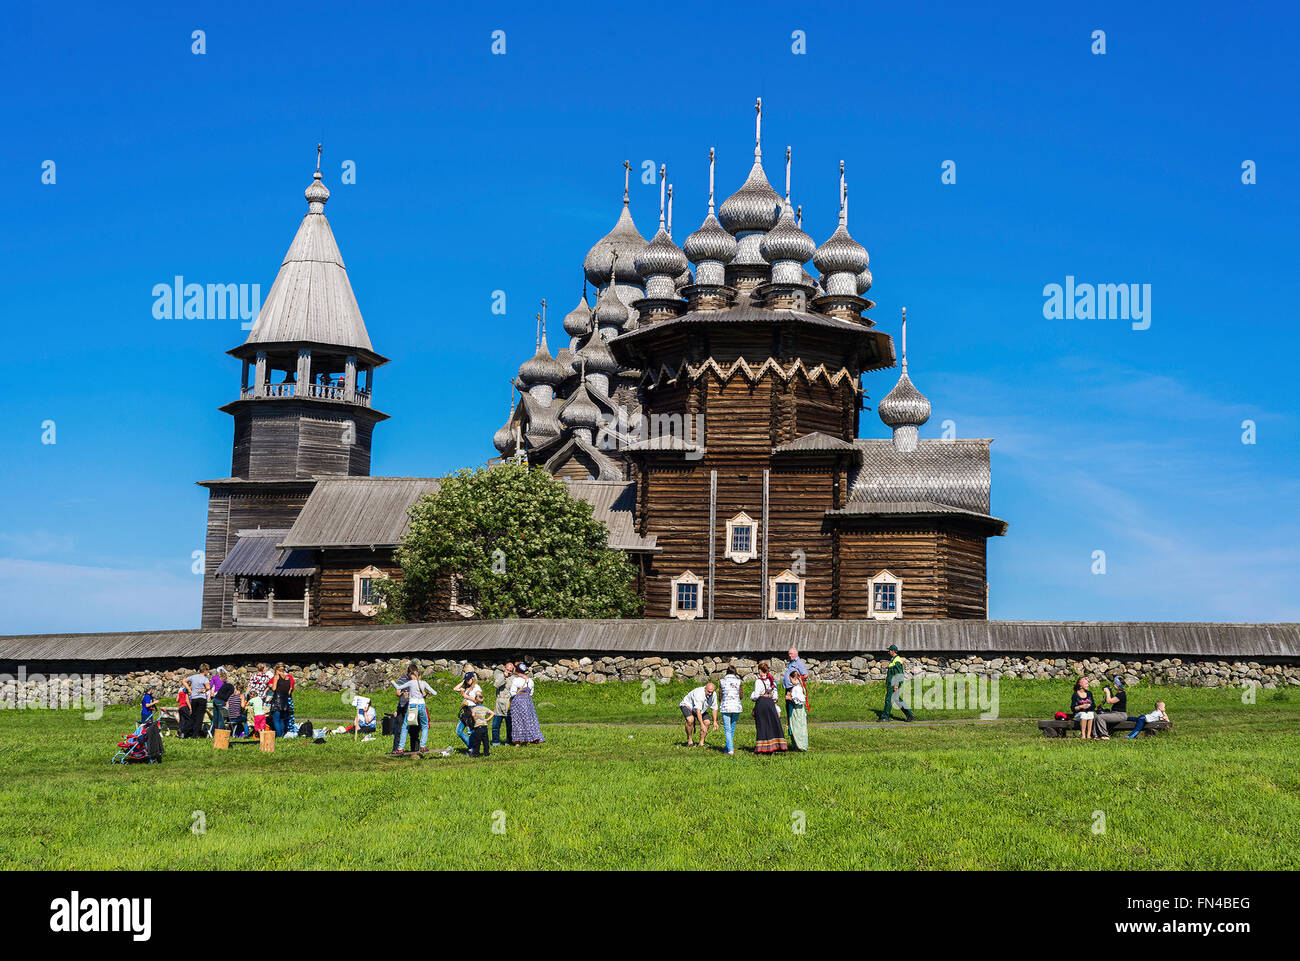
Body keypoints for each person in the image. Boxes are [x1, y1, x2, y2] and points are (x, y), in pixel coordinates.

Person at [391, 666, 436, 754]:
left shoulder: (411, 682)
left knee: (407, 727)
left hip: (412, 706)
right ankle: (422, 746)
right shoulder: (423, 683)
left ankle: (403, 748)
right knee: (424, 726)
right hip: (418, 706)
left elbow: (397, 687)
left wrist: (392, 682)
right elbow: (435, 693)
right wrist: (428, 693)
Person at [750, 662, 787, 754]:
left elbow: (756, 695)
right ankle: (773, 747)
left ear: (760, 670)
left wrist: (751, 696)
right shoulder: (771, 680)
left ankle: (762, 748)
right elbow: (775, 695)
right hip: (770, 703)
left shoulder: (758, 681)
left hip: (762, 703)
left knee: (762, 725)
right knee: (771, 724)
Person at [508, 664, 545, 744]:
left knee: (517, 722)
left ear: (517, 671)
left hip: (517, 702)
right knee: (527, 720)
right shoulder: (530, 681)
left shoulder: (516, 680)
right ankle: (526, 740)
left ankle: (517, 742)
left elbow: (512, 693)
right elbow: (531, 693)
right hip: (528, 702)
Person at [881, 645, 915, 722]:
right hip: (891, 683)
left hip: (893, 683)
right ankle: (909, 714)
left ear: (893, 651)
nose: (888, 652)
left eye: (889, 650)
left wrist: (896, 684)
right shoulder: (893, 660)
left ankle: (885, 717)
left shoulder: (897, 660)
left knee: (888, 700)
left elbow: (899, 673)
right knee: (896, 699)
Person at [678, 682, 719, 748]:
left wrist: (715, 721)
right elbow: (698, 711)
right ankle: (689, 740)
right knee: (690, 720)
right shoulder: (699, 694)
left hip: (701, 709)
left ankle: (701, 743)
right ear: (705, 689)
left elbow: (714, 708)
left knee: (707, 722)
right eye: (709, 692)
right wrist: (701, 725)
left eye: (712, 692)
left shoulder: (713, 694)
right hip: (687, 705)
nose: (710, 694)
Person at [453, 671, 483, 750]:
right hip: (465, 711)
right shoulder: (467, 687)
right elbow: (455, 688)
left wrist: (466, 696)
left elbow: (479, 701)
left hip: (472, 710)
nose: (467, 681)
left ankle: (472, 749)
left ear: (472, 679)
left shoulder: (477, 688)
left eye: (468, 679)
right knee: (458, 731)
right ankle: (471, 746)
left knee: (470, 732)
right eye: (466, 680)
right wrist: (463, 682)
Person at [719, 665, 744, 756]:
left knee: (727, 729)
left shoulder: (722, 681)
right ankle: (727, 747)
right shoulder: (739, 681)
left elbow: (720, 696)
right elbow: (741, 696)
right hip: (736, 707)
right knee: (732, 729)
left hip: (725, 707)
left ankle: (730, 749)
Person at [782, 646, 809, 730]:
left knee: (793, 708)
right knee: (788, 707)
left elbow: (805, 675)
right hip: (788, 688)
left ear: (796, 653)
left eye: (791, 653)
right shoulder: (791, 662)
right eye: (789, 654)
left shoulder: (799, 663)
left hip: (793, 689)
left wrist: (796, 682)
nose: (789, 655)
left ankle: (793, 726)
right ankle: (790, 725)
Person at [491, 661, 515, 746]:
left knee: (509, 725)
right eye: (508, 669)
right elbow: (496, 685)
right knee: (495, 725)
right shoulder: (499, 676)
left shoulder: (513, 678)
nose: (509, 672)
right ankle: (495, 742)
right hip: (499, 703)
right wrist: (504, 676)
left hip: (509, 703)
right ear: (504, 668)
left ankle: (508, 741)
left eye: (511, 670)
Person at [186, 665, 211, 738]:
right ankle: (194, 735)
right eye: (208, 670)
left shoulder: (193, 677)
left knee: (193, 716)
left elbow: (184, 681)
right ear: (205, 670)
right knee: (199, 717)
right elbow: (208, 687)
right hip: (201, 699)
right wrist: (203, 690)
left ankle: (188, 732)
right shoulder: (205, 678)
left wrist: (189, 689)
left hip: (194, 699)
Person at [268, 664, 293, 737]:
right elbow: (289, 691)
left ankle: (278, 735)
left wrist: (271, 686)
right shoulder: (289, 678)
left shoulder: (276, 677)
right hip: (285, 701)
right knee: (282, 719)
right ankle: (282, 734)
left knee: (276, 719)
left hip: (277, 701)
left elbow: (274, 689)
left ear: (277, 670)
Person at [468, 692, 494, 757]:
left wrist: (475, 719)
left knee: (477, 741)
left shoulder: (474, 708)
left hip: (478, 726)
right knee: (485, 741)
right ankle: (486, 753)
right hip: (484, 726)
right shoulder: (485, 708)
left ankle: (476, 753)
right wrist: (487, 719)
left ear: (475, 701)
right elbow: (492, 713)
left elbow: (473, 714)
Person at [787, 676, 809, 750]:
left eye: (791, 680)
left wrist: (790, 698)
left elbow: (800, 701)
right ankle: (796, 745)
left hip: (798, 710)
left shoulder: (797, 688)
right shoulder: (795, 688)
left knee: (798, 727)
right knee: (795, 726)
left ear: (795, 679)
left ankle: (801, 745)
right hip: (795, 710)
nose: (790, 681)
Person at [210, 668, 233, 735]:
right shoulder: (231, 687)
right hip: (221, 701)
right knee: (221, 718)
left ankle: (212, 732)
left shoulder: (223, 685)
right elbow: (227, 696)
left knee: (215, 718)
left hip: (215, 700)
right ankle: (219, 734)